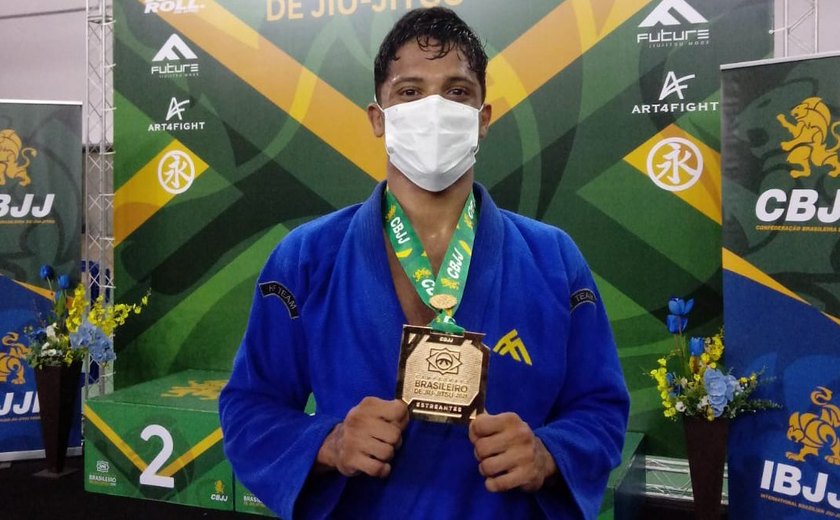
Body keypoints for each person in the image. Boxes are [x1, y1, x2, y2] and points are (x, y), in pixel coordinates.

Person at [219, 7, 629, 519]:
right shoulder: (306, 257)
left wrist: (548, 455)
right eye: (410, 92)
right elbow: (248, 409)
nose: (434, 109)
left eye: (457, 91)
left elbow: (601, 408)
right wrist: (330, 444)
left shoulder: (554, 259)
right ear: (378, 118)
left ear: (483, 119)